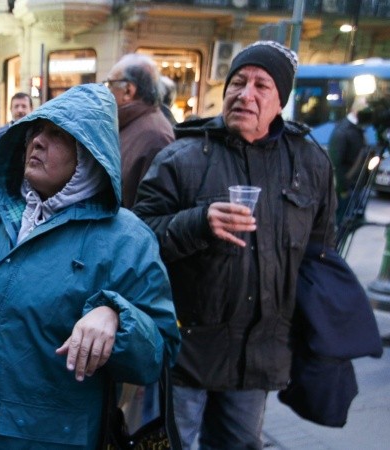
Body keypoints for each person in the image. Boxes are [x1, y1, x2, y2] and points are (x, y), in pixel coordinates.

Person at [0, 83, 181, 449]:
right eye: (36, 130)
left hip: (44, 438)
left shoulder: (125, 239)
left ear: (89, 154)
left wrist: (117, 316)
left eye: (57, 135)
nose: (37, 141)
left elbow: (158, 352)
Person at [132, 41, 336, 450]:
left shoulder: (309, 162)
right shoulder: (182, 156)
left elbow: (320, 250)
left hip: (257, 354)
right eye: (238, 82)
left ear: (281, 102)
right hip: (185, 350)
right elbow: (137, 240)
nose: (246, 94)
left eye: (262, 86)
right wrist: (198, 223)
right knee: (171, 444)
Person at [105, 54, 174, 208]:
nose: (107, 90)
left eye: (110, 84)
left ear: (128, 91)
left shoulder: (155, 137)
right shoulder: (131, 124)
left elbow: (149, 210)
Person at [328, 96, 370, 224]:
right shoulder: (343, 131)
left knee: (351, 222)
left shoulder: (357, 129)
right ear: (357, 111)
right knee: (341, 222)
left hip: (357, 185)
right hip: (347, 188)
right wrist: (343, 189)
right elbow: (336, 162)